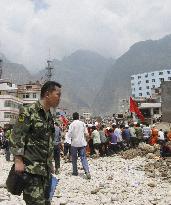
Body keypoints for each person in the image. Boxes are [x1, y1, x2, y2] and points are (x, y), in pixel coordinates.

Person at [10, 81, 62, 205]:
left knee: (45, 202)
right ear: (48, 94)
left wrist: (50, 163)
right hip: (31, 170)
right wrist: (18, 161)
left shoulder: (49, 116)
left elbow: (48, 142)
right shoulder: (29, 111)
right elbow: (17, 135)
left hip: (45, 172)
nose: (59, 98)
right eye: (58, 94)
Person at [68, 112, 91, 179]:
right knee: (83, 158)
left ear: (73, 117)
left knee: (74, 158)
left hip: (74, 144)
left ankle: (75, 172)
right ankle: (87, 171)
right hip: (82, 143)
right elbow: (86, 134)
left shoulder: (72, 124)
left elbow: (69, 135)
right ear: (78, 117)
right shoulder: (82, 123)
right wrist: (86, 141)